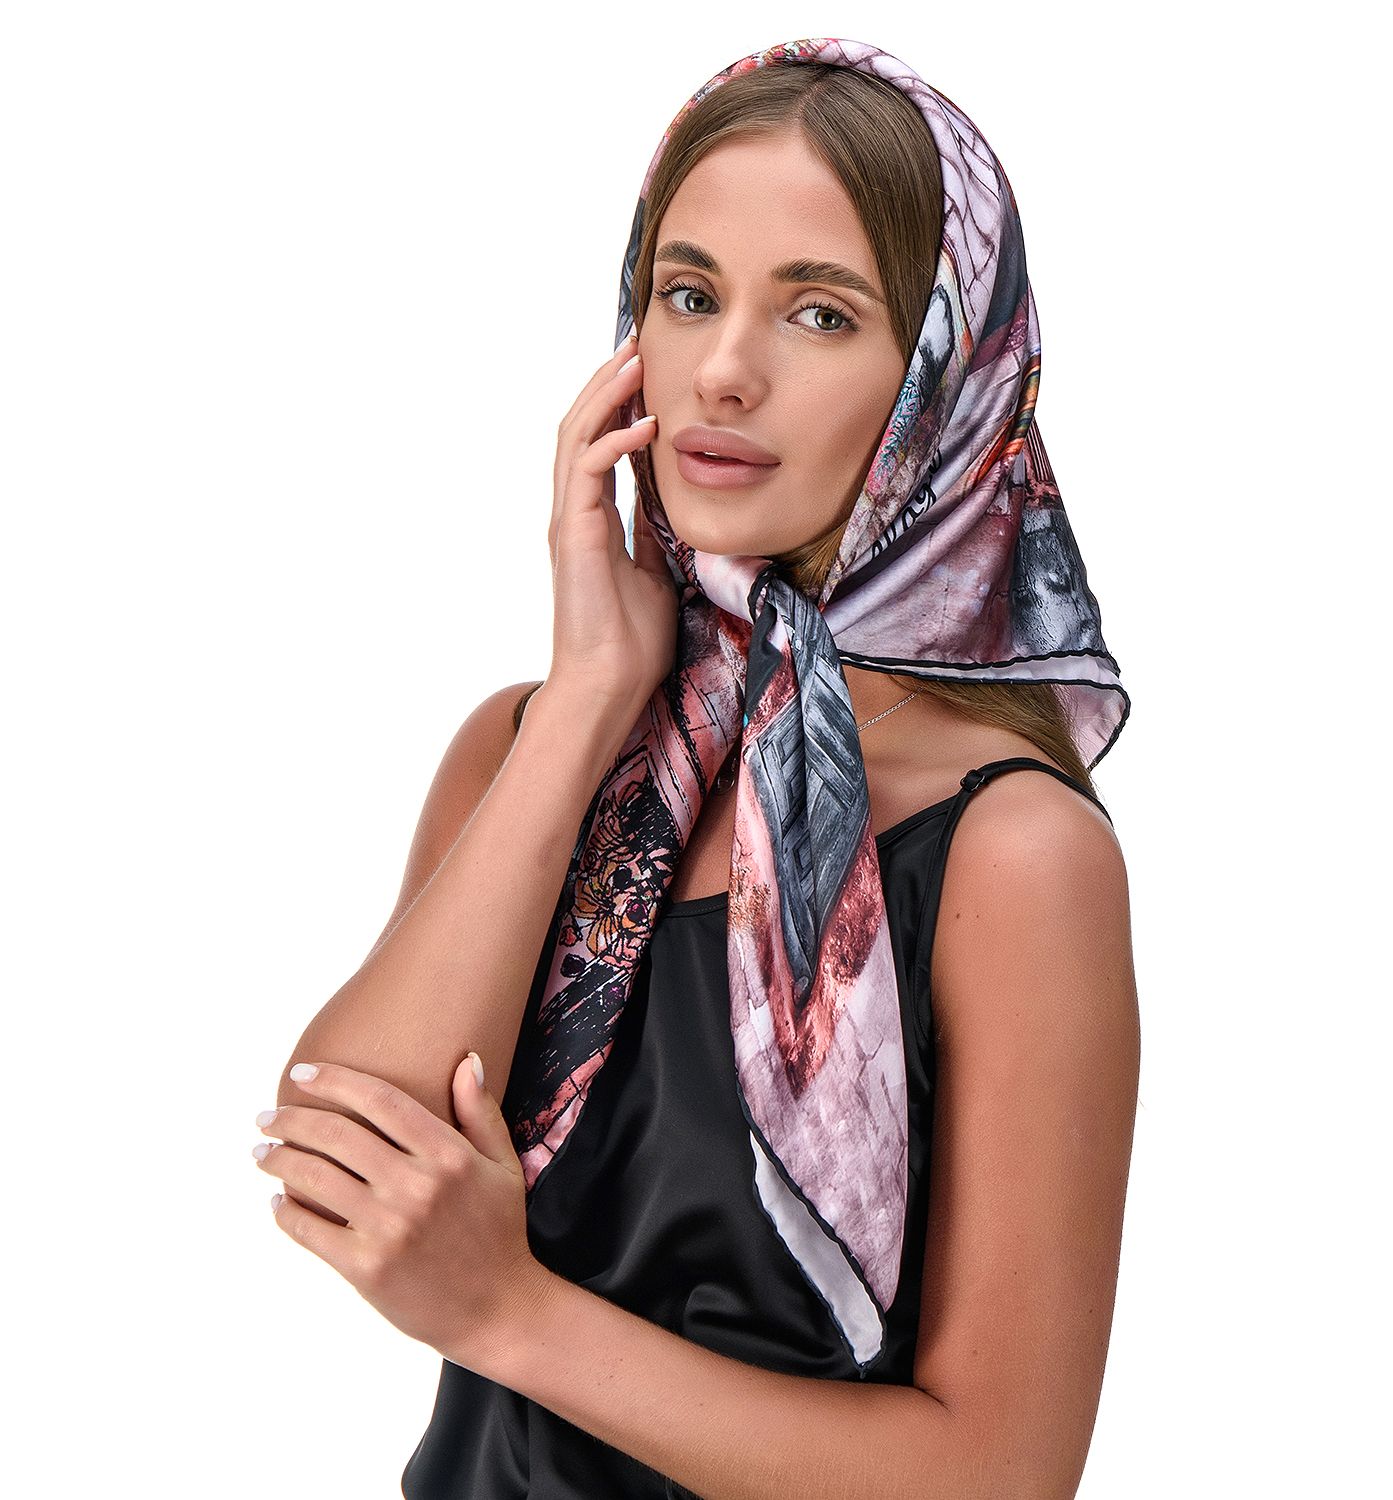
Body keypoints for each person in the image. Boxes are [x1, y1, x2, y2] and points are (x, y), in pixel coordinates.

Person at [254, 39, 1139, 1500]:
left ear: (945, 380)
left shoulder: (1011, 852)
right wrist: (593, 693)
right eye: (688, 294)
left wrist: (508, 1316)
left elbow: (997, 1472)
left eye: (820, 312)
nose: (725, 370)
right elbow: (338, 1153)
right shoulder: (531, 748)